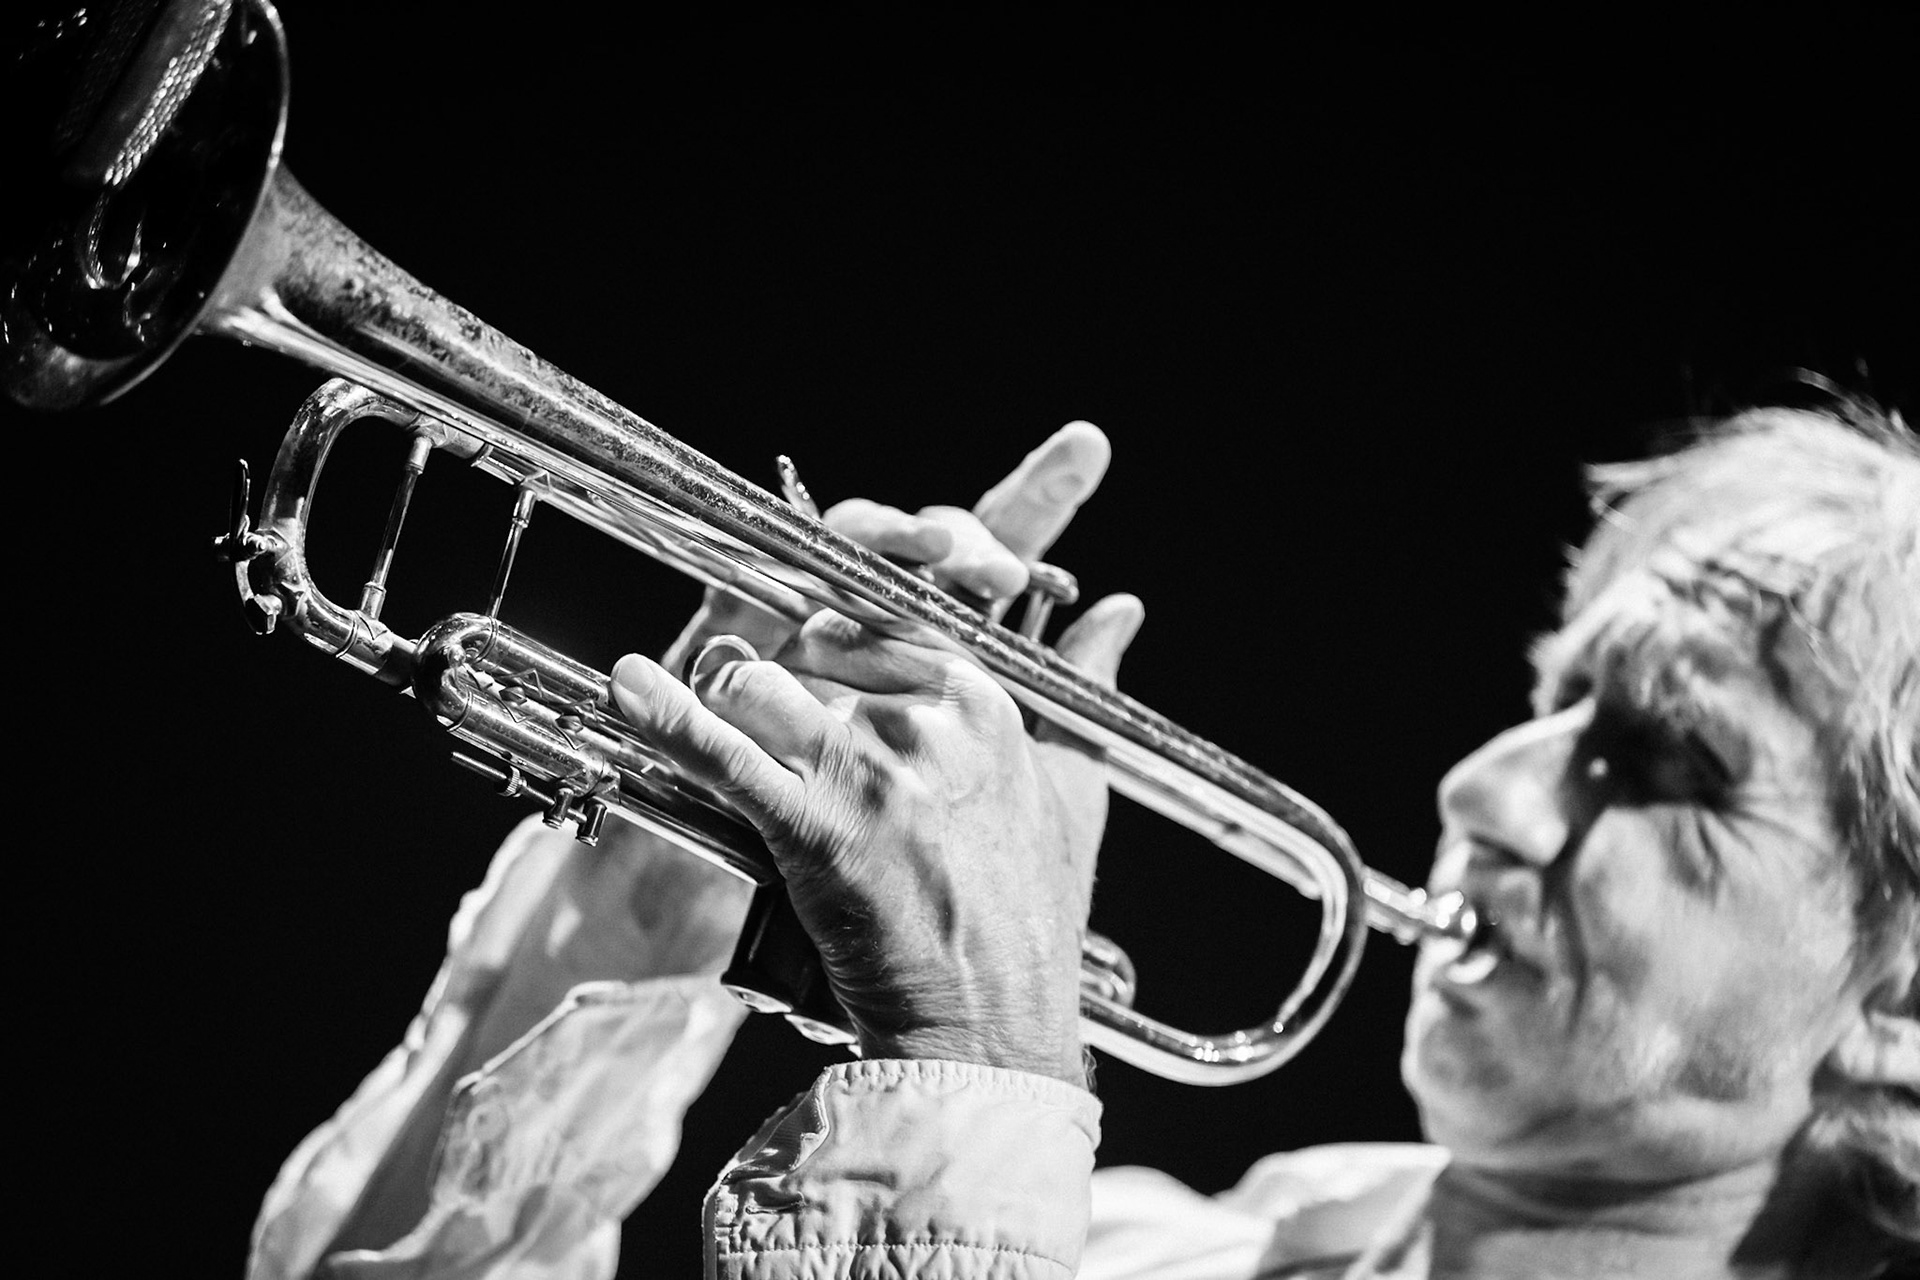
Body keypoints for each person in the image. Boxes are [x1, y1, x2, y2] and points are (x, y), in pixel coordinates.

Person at [247, 400, 1918, 1279]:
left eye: (1659, 758)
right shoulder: (1162, 1246)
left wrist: (976, 1053)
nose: (1486, 787)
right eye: (1551, 704)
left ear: (1899, 1004)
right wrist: (663, 872)